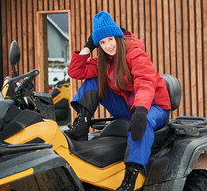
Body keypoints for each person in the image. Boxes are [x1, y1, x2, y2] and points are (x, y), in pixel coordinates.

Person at [65, 11, 171, 191]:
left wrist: (141, 111)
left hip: (152, 105)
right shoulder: (104, 61)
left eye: (110, 39)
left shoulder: (134, 52)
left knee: (140, 125)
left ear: (117, 36)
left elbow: (145, 82)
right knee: (93, 80)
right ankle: (81, 124)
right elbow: (76, 72)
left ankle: (131, 177)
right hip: (128, 106)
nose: (108, 46)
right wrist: (88, 47)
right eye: (102, 42)